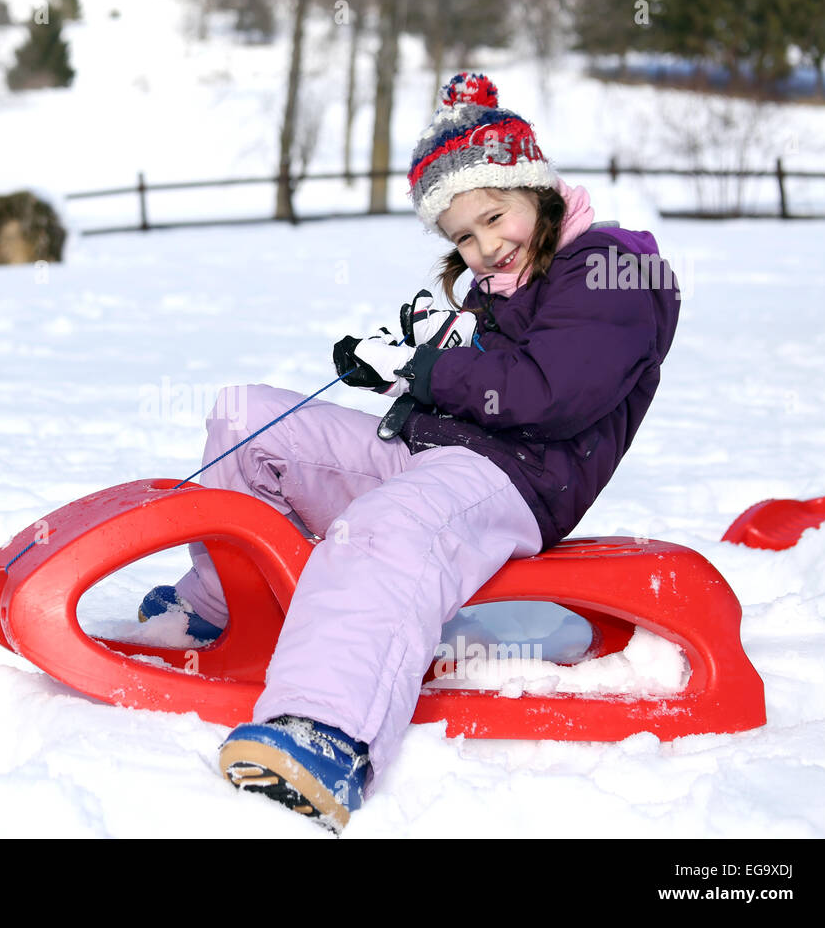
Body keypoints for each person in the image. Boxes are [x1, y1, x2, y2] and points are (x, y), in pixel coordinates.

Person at [138, 72, 681, 833]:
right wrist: (400, 359)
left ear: (540, 191)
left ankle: (324, 730)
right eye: (463, 235)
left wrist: (425, 369)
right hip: (437, 452)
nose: (485, 245)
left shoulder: (612, 270)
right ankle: (225, 604)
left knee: (390, 530)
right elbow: (469, 375)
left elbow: (549, 393)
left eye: (495, 216)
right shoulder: (496, 283)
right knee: (246, 419)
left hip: (520, 481)